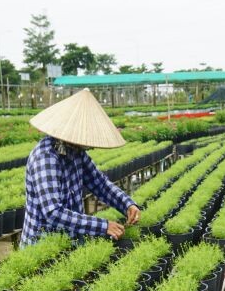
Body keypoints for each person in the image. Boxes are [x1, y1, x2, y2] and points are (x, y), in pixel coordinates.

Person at [21, 89, 140, 246]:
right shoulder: (46, 157)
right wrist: (103, 226)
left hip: (71, 241)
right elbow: (53, 212)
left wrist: (127, 204)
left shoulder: (76, 152)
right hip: (43, 246)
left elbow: (100, 184)